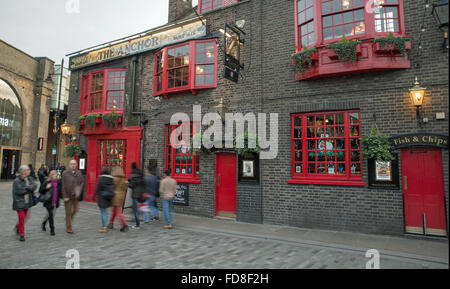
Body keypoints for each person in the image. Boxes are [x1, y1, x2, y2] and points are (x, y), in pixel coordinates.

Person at [12, 165, 37, 241]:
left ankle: (17, 227)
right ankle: (22, 234)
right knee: (21, 218)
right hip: (19, 202)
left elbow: (34, 185)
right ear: (23, 171)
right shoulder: (17, 181)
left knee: (25, 217)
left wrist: (28, 188)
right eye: (27, 170)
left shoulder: (30, 178)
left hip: (27, 202)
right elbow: (19, 191)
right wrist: (29, 189)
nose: (29, 171)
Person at [61, 160, 85, 234]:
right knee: (68, 212)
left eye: (74, 164)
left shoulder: (79, 173)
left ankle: (68, 220)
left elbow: (82, 182)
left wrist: (79, 190)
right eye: (71, 164)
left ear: (76, 165)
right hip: (68, 196)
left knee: (76, 210)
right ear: (69, 165)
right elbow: (63, 186)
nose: (73, 165)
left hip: (75, 196)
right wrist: (64, 196)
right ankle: (69, 227)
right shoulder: (65, 173)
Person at [39, 170, 61, 236]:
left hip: (55, 201)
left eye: (56, 175)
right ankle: (52, 230)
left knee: (50, 215)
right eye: (54, 175)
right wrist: (46, 187)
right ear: (51, 175)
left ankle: (44, 223)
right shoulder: (47, 182)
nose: (56, 176)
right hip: (48, 201)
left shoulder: (58, 183)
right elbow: (40, 191)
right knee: (51, 215)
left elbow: (60, 192)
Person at [107, 166, 129, 232]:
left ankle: (125, 225)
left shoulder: (113, 179)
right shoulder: (123, 179)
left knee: (118, 213)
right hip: (121, 197)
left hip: (115, 197)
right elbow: (125, 188)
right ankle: (111, 223)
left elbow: (110, 187)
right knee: (114, 211)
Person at [93, 167, 114, 233]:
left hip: (102, 197)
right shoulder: (111, 178)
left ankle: (104, 227)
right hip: (108, 197)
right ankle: (105, 225)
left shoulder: (101, 178)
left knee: (103, 212)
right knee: (105, 212)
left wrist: (94, 195)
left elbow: (98, 187)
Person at [128, 162, 146, 229]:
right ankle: (139, 219)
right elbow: (144, 184)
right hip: (141, 193)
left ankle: (137, 224)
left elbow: (131, 185)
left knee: (135, 209)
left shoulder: (133, 175)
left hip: (135, 194)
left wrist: (129, 182)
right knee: (138, 208)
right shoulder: (141, 174)